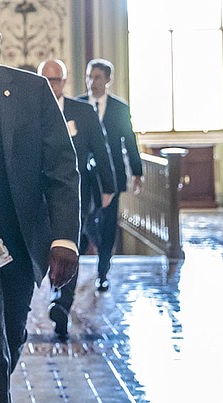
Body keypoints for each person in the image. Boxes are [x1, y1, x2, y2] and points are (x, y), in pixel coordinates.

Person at [0, 3, 80, 403]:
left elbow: (61, 168)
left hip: (21, 243)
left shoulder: (32, 90)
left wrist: (65, 239)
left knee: (11, 335)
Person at [37, 59, 116, 339]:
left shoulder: (81, 112)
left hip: (75, 195)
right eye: (44, 79)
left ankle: (61, 302)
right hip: (37, 197)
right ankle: (37, 297)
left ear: (64, 82)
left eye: (55, 80)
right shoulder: (29, 111)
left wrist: (109, 186)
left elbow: (101, 149)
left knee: (69, 246)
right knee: (41, 248)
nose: (50, 85)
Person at [79, 58, 144, 291]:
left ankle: (103, 271)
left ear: (108, 80)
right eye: (89, 76)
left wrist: (137, 172)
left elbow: (130, 142)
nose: (91, 82)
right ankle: (87, 254)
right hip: (84, 178)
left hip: (113, 176)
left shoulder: (119, 108)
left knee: (108, 224)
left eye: (97, 77)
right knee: (85, 220)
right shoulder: (78, 105)